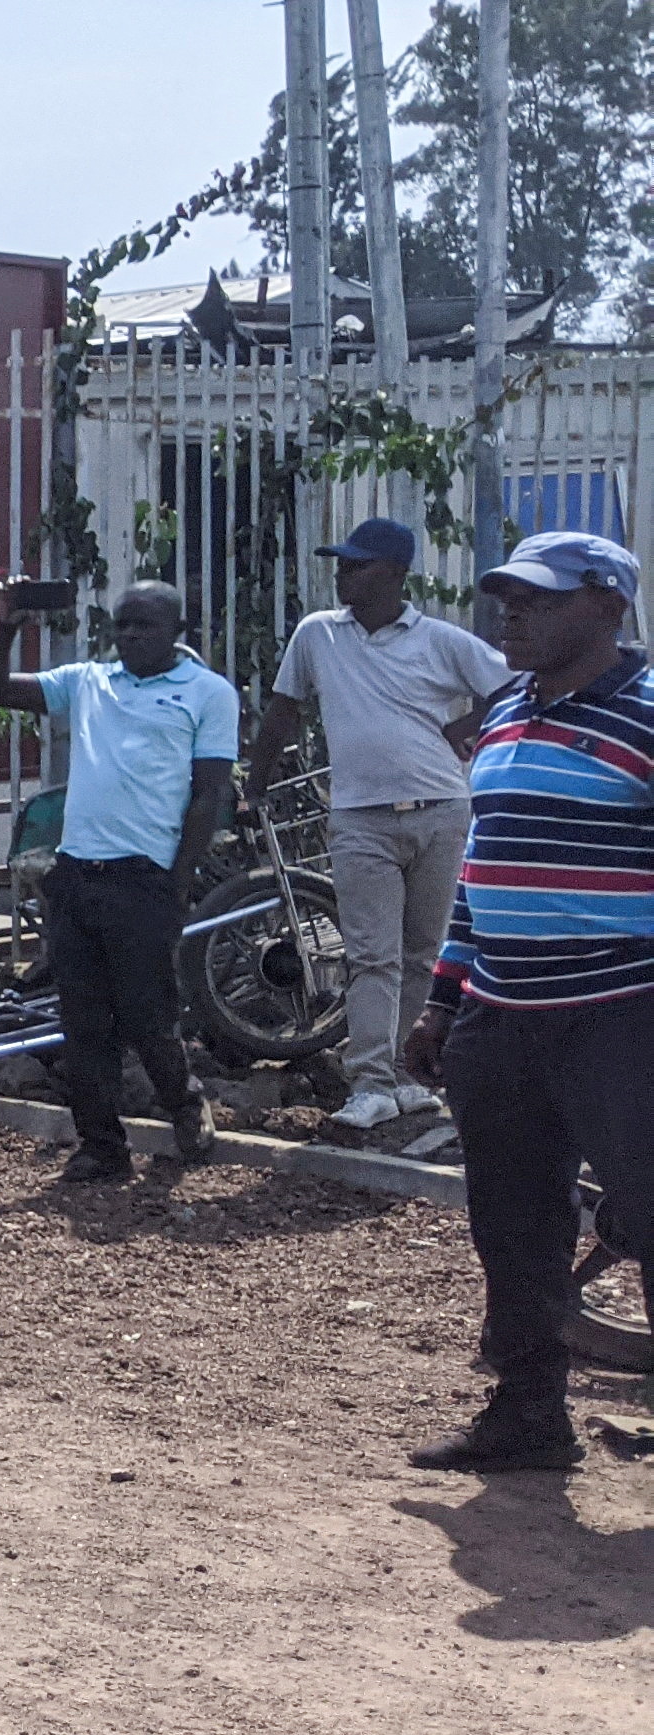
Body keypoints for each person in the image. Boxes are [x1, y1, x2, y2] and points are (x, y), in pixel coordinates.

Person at [401, 532, 653, 1473]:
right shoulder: (508, 709)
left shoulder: (646, 713)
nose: (511, 611)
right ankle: (528, 1415)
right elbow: (481, 867)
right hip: (501, 1016)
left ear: (607, 606)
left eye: (539, 598)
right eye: (508, 595)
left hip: (621, 1013)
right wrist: (442, 1000)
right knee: (512, 1226)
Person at [248, 516, 512, 1135]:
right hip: (360, 818)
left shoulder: (439, 640)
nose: (343, 575)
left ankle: (404, 1075)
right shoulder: (318, 634)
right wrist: (253, 784)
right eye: (341, 564)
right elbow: (284, 708)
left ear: (395, 573)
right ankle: (369, 1082)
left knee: (423, 954)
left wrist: (466, 726)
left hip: (441, 810)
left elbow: (514, 684)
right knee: (372, 956)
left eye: (357, 565)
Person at [0, 578, 234, 1182]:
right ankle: (100, 1145)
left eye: (145, 625)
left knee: (148, 1014)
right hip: (76, 874)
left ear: (178, 632)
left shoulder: (208, 693)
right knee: (83, 1020)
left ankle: (183, 1102)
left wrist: (178, 879)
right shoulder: (88, 681)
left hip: (144, 876)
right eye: (123, 625)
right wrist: (7, 627)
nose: (131, 636)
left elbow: (208, 794)